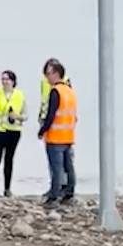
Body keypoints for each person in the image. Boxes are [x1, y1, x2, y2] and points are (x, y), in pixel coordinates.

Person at [38, 61, 77, 205]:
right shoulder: (70, 91)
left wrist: (42, 130)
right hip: (68, 135)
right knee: (68, 167)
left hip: (55, 136)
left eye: (48, 74)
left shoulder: (56, 91)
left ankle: (54, 195)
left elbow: (51, 114)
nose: (47, 77)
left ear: (56, 73)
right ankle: (69, 193)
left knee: (56, 168)